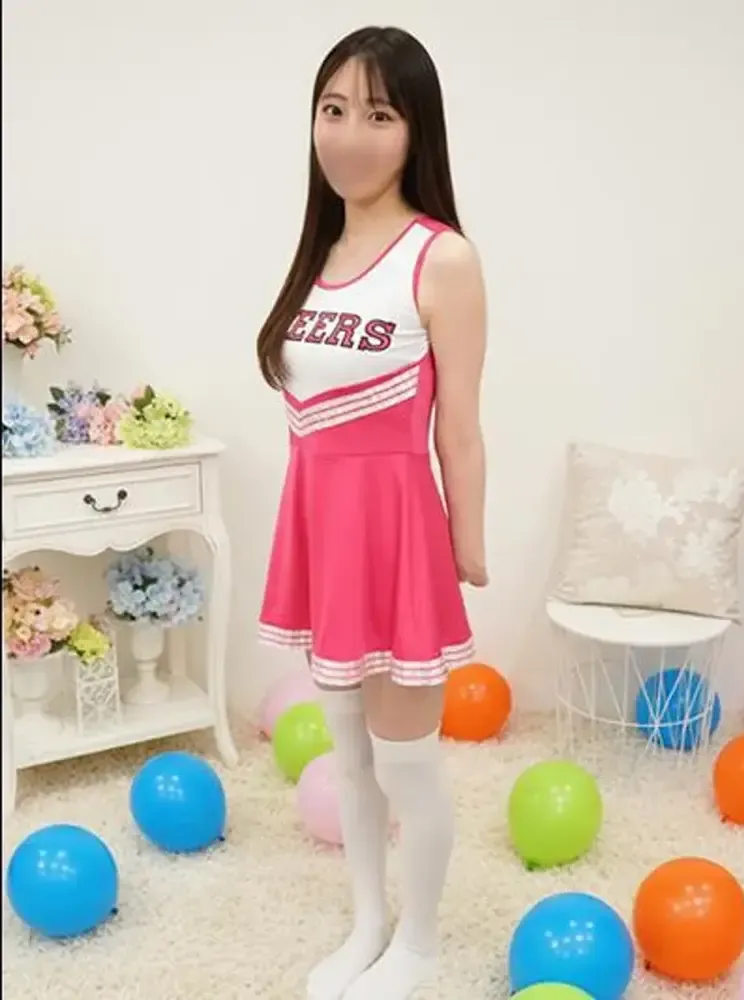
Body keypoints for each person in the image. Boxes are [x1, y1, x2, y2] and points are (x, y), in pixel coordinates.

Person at [256, 25, 487, 1000]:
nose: (349, 135)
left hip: (397, 549)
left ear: (416, 129)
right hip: (324, 544)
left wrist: (466, 546)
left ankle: (421, 945)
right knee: (349, 757)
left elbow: (460, 428)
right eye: (334, 109)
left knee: (407, 766)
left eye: (379, 114)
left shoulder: (442, 258)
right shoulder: (320, 252)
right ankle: (369, 923)